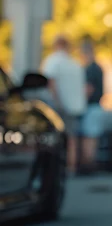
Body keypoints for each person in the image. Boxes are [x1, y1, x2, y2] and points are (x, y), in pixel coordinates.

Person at [41, 35, 86, 174]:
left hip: (58, 105)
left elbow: (50, 82)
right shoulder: (75, 64)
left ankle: (53, 168)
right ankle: (70, 167)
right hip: (75, 106)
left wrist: (56, 101)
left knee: (53, 137)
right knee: (72, 137)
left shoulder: (53, 61)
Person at [80, 40, 104, 172]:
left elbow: (89, 89)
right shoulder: (98, 68)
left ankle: (88, 164)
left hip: (91, 106)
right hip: (97, 106)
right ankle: (91, 163)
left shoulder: (90, 69)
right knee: (93, 137)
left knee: (89, 137)